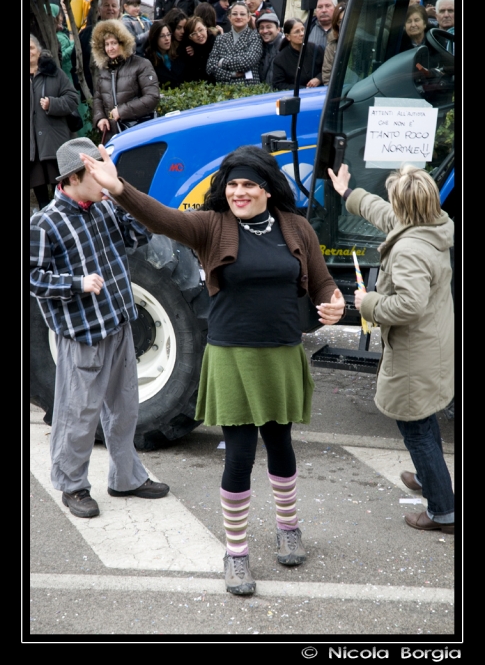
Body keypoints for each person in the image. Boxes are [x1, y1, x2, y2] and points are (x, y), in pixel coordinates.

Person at [80, 143, 346, 594]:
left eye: (249, 185)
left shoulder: (296, 227)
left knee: (281, 446)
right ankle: (237, 553)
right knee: (240, 455)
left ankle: (288, 527)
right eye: (233, 185)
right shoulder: (211, 226)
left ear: (267, 189)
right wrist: (119, 188)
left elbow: (321, 281)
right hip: (232, 355)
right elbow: (162, 217)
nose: (239, 193)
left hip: (282, 352)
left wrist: (334, 302)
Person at [30, 137, 170, 519]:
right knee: (78, 415)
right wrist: (77, 284)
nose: (105, 180)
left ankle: (126, 478)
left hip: (120, 323)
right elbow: (33, 279)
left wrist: (120, 192)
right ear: (73, 178)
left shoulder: (104, 207)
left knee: (125, 410)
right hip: (82, 335)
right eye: (97, 173)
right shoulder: (44, 222)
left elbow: (140, 234)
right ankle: (72, 485)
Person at [328, 163, 454, 535]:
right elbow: (384, 214)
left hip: (416, 352)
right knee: (425, 416)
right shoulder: (431, 226)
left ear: (405, 207)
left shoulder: (409, 251)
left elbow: (408, 305)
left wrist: (368, 302)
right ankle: (430, 477)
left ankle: (443, 511)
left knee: (415, 426)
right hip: (433, 343)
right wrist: (349, 194)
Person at [30, 35, 79, 210]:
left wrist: (53, 104)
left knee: (62, 193)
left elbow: (73, 99)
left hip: (54, 144)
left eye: (31, 48)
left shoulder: (55, 72)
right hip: (31, 149)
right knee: (40, 198)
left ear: (38, 50)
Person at [91, 19, 159, 141]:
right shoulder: (104, 70)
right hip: (113, 135)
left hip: (139, 132)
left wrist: (122, 111)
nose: (110, 48)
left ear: (123, 43)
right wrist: (100, 117)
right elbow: (98, 98)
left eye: (114, 43)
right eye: (107, 44)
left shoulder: (141, 64)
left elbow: (152, 97)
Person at [70, 0, 120, 98]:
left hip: (119, 93)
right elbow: (76, 60)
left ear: (119, 9)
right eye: (106, 5)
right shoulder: (86, 34)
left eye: (114, 5)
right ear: (99, 9)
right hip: (92, 93)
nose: (110, 8)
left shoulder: (125, 33)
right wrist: (82, 87)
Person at [206, 1, 263, 86]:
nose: (238, 17)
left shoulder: (255, 36)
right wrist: (231, 74)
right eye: (235, 14)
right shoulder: (220, 39)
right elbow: (210, 67)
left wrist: (222, 62)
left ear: (248, 17)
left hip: (249, 89)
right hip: (224, 91)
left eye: (242, 14)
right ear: (229, 17)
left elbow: (247, 61)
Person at [272, 19, 323, 90]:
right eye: (297, 32)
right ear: (288, 37)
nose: (302, 34)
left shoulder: (316, 49)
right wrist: (302, 89)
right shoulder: (280, 59)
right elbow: (279, 84)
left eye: (303, 30)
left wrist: (319, 78)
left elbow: (328, 69)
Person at [144, 20, 187, 88]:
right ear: (155, 38)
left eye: (168, 34)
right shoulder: (148, 60)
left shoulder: (179, 52)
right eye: (162, 36)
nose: (167, 38)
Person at [181, 16, 217, 83]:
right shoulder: (189, 50)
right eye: (194, 33)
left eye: (200, 30)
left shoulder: (217, 43)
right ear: (190, 37)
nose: (199, 35)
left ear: (205, 28)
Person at [256, 12, 284, 88]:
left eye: (269, 27)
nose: (265, 31)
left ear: (278, 29)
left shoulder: (285, 47)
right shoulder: (258, 46)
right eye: (261, 28)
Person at [321, 2, 346, 85]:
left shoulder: (365, 42)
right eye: (340, 21)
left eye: (346, 20)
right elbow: (327, 77)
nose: (344, 24)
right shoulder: (332, 47)